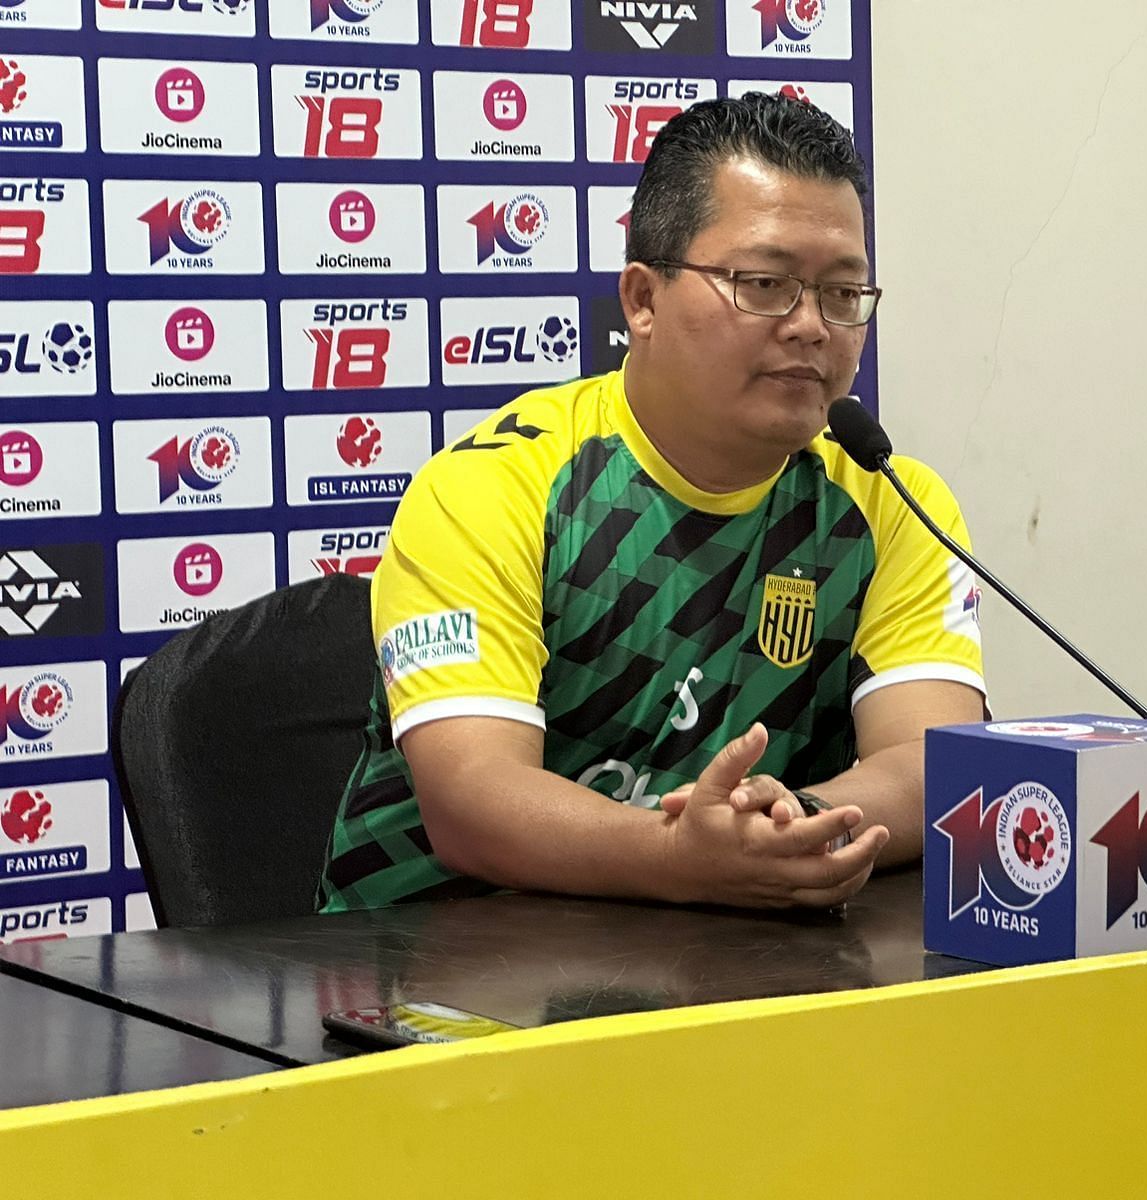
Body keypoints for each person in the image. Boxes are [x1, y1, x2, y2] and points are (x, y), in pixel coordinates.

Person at [317, 92, 986, 913]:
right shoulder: (498, 485)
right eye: (766, 283)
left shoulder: (888, 501)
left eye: (844, 295)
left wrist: (795, 827)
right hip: (442, 970)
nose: (812, 326)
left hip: (736, 966)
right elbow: (472, 802)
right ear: (643, 299)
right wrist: (683, 857)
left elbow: (934, 761)